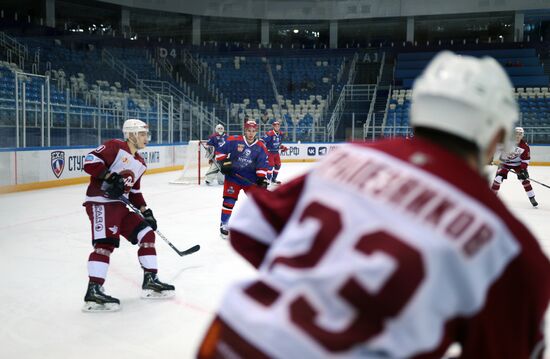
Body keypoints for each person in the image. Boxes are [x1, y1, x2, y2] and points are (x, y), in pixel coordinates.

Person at [197, 52, 550, 358]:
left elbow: (249, 229)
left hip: (231, 340)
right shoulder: (513, 247)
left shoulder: (350, 157)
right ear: (494, 133)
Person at [82, 119, 175, 312]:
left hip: (120, 207)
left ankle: (150, 280)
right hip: (100, 202)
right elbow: (90, 162)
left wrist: (145, 211)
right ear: (131, 134)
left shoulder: (140, 162)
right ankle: (94, 290)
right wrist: (108, 176)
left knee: (146, 233)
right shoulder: (116, 146)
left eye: (145, 134)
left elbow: (134, 192)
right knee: (104, 244)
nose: (145, 138)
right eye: (142, 134)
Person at [215, 120, 269, 239]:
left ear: (256, 132)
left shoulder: (260, 147)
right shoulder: (234, 140)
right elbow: (219, 152)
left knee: (257, 202)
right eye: (249, 130)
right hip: (233, 177)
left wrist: (262, 179)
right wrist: (225, 163)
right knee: (229, 201)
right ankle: (224, 224)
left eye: (253, 131)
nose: (251, 133)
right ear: (245, 130)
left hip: (250, 179)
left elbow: (262, 164)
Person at [491, 127, 538, 207]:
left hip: (518, 165)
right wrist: (490, 158)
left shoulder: (524, 146)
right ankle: (491, 198)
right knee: (498, 179)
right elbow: (494, 149)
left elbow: (525, 160)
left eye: (520, 134)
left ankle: (532, 197)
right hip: (505, 163)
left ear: (522, 135)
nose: (518, 136)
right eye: (516, 134)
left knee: (524, 180)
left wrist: (523, 170)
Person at [261, 120, 288, 185]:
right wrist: (263, 149)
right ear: (273, 126)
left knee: (278, 165)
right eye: (275, 126)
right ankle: (268, 180)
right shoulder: (270, 133)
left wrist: (282, 147)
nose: (277, 127)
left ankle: (273, 179)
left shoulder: (281, 134)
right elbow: (261, 141)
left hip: (276, 152)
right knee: (270, 166)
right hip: (270, 153)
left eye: (278, 125)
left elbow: (278, 144)